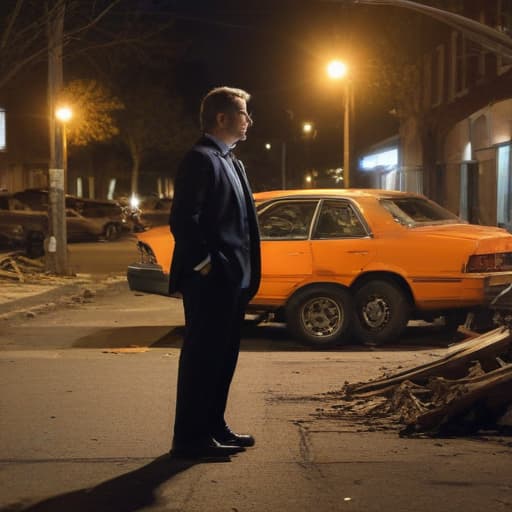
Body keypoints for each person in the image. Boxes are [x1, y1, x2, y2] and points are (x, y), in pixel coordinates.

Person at [168, 86, 261, 459]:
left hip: (232, 284)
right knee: (201, 360)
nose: (249, 121)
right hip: (210, 283)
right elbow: (183, 222)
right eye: (243, 113)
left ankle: (213, 426)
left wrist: (242, 276)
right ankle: (189, 438)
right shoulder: (199, 159)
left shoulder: (232, 161)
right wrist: (208, 268)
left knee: (222, 359)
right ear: (221, 118)